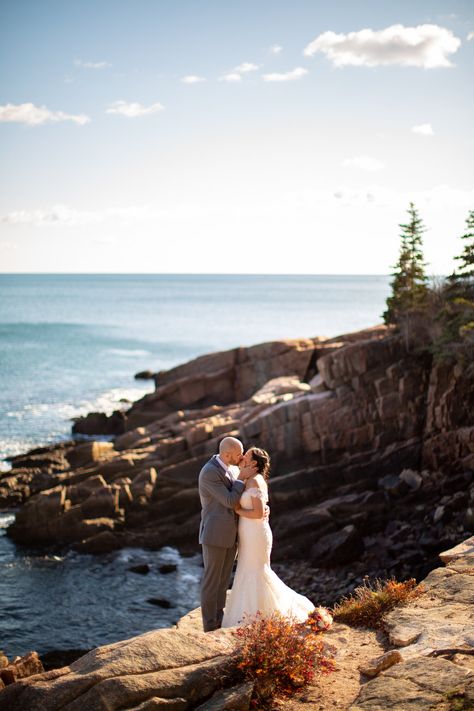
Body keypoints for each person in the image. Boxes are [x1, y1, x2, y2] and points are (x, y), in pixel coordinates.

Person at [221, 446, 315, 627]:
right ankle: (253, 617)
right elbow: (259, 507)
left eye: (246, 455)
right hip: (250, 533)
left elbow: (256, 513)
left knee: (256, 572)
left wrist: (236, 509)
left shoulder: (254, 481)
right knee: (247, 570)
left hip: (255, 534)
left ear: (253, 462)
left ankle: (260, 619)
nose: (241, 456)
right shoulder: (248, 478)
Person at [198, 436, 257, 632]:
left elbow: (241, 497)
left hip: (231, 534)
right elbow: (231, 501)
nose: (241, 457)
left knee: (223, 581)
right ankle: (209, 625)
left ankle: (219, 619)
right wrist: (241, 477)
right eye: (238, 454)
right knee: (212, 581)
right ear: (226, 454)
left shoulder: (230, 467)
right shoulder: (209, 473)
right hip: (215, 534)